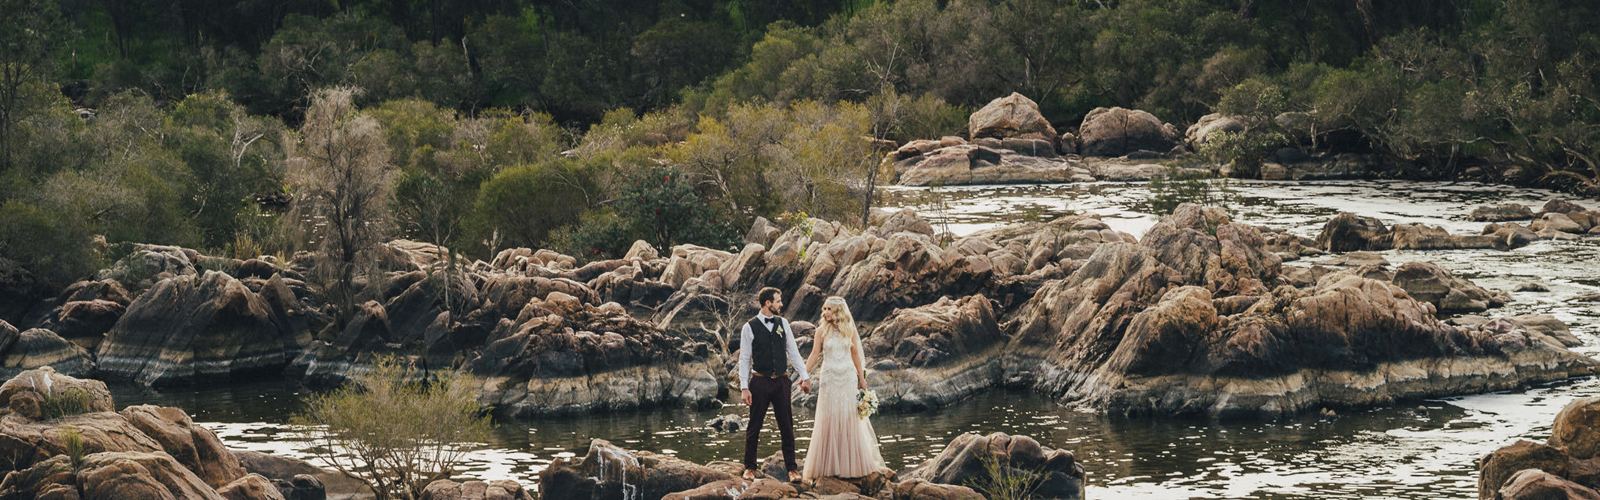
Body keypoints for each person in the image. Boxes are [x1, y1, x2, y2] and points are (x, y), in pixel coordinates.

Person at [801, 296, 885, 480]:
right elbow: (815, 354)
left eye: (829, 309)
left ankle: (851, 464)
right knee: (828, 416)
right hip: (829, 377)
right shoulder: (821, 331)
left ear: (839, 311)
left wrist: (861, 379)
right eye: (824, 309)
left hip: (847, 377)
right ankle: (827, 465)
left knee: (848, 417)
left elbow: (855, 355)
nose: (825, 312)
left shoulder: (850, 329)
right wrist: (804, 375)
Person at [739, 287, 812, 482]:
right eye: (778, 301)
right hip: (759, 382)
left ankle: (792, 469)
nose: (781, 304)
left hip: (781, 381)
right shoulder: (749, 327)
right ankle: (749, 467)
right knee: (754, 426)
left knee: (787, 426)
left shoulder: (783, 323)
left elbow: (793, 352)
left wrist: (805, 376)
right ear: (767, 303)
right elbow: (745, 359)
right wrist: (744, 387)